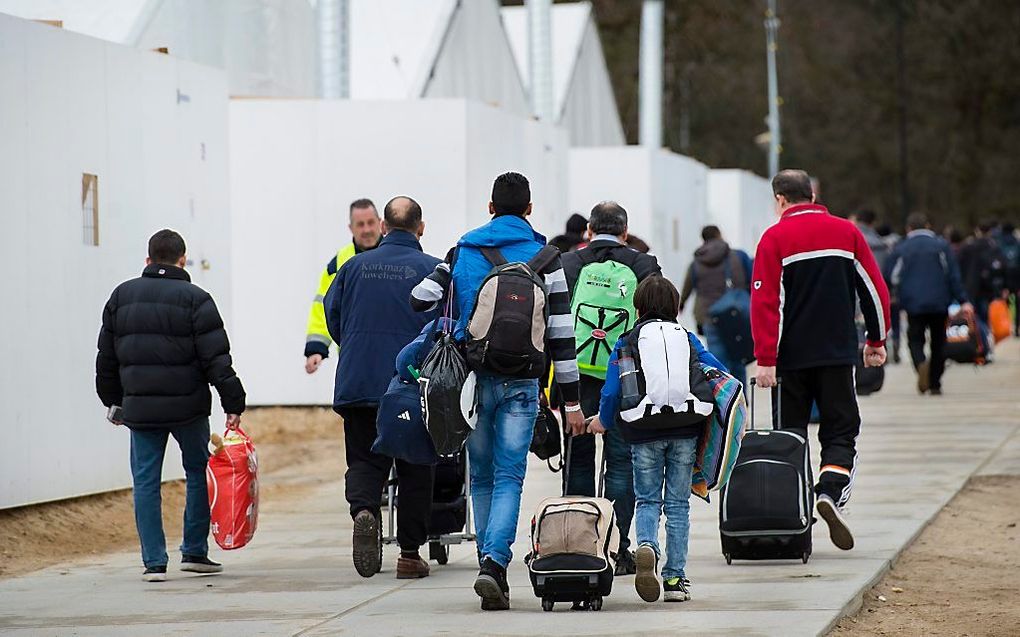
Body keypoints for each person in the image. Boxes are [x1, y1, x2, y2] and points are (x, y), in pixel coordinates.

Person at [410, 171, 584, 611]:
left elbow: (420, 299)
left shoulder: (464, 249)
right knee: (510, 476)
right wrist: (572, 400)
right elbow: (562, 336)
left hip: (475, 378)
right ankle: (494, 563)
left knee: (483, 475)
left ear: (490, 208)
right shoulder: (548, 256)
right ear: (529, 209)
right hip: (524, 384)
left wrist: (450, 276)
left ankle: (492, 564)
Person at [750, 169, 890, 552]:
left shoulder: (774, 238)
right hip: (837, 353)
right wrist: (876, 340)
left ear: (780, 199)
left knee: (790, 436)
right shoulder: (847, 233)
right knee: (841, 429)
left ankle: (795, 518)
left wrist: (765, 359)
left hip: (790, 360)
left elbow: (766, 303)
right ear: (811, 195)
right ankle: (830, 490)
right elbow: (875, 291)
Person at [96, 229, 245, 582]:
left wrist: (113, 401)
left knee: (145, 480)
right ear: (183, 260)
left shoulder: (122, 296)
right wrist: (233, 401)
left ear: (148, 260)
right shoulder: (196, 298)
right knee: (197, 472)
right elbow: (216, 358)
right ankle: (194, 551)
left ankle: (154, 562)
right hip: (188, 408)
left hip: (142, 409)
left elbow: (107, 357)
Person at [587, 276, 725, 603]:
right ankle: (675, 580)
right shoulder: (688, 338)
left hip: (642, 431)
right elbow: (716, 369)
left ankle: (647, 545)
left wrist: (603, 422)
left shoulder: (626, 341)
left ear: (638, 308)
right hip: (685, 429)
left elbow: (612, 390)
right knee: (678, 505)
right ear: (675, 307)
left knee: (647, 500)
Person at [323, 196, 440, 580]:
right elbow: (445, 329)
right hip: (412, 386)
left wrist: (358, 349)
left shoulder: (352, 266)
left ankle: (365, 511)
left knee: (363, 460)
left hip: (358, 381)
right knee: (415, 468)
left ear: (385, 227)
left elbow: (333, 317)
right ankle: (409, 554)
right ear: (420, 228)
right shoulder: (434, 270)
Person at [559, 201, 662, 575]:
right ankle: (617, 549)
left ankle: (580, 545)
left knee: (579, 458)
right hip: (626, 377)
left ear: (589, 230)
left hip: (576, 377)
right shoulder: (644, 265)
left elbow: (553, 323)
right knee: (621, 461)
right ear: (625, 230)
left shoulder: (569, 264)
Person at [885, 213, 971, 395]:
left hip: (913, 302)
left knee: (915, 339)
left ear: (909, 228)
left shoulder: (902, 248)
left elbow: (891, 275)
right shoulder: (941, 246)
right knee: (939, 341)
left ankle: (920, 364)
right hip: (939, 301)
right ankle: (935, 381)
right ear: (928, 225)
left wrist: (893, 295)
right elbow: (952, 276)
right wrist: (962, 299)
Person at [304, 198, 382, 375]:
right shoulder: (339, 262)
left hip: (392, 352)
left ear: (380, 223)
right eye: (360, 224)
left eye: (370, 223)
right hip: (353, 357)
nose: (367, 229)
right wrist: (317, 347)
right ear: (351, 228)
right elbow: (324, 305)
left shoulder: (398, 255)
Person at [678, 225, 753, 386]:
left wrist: (681, 304)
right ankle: (741, 402)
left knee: (718, 363)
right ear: (720, 235)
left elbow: (687, 287)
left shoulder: (697, 262)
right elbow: (752, 282)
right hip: (736, 314)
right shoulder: (737, 257)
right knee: (738, 359)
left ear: (703, 239)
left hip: (709, 316)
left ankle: (723, 402)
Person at [957, 220, 1007, 323]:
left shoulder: (968, 246)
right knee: (986, 315)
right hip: (989, 287)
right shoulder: (994, 247)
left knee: (973, 316)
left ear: (977, 231)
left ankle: (978, 335)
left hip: (971, 286)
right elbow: (1003, 266)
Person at [994, 222, 1020, 336]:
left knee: (1005, 305)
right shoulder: (1017, 243)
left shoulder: (999, 244)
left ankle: (1005, 327)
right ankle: (1017, 327)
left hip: (1004, 280)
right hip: (1018, 279)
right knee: (1018, 305)